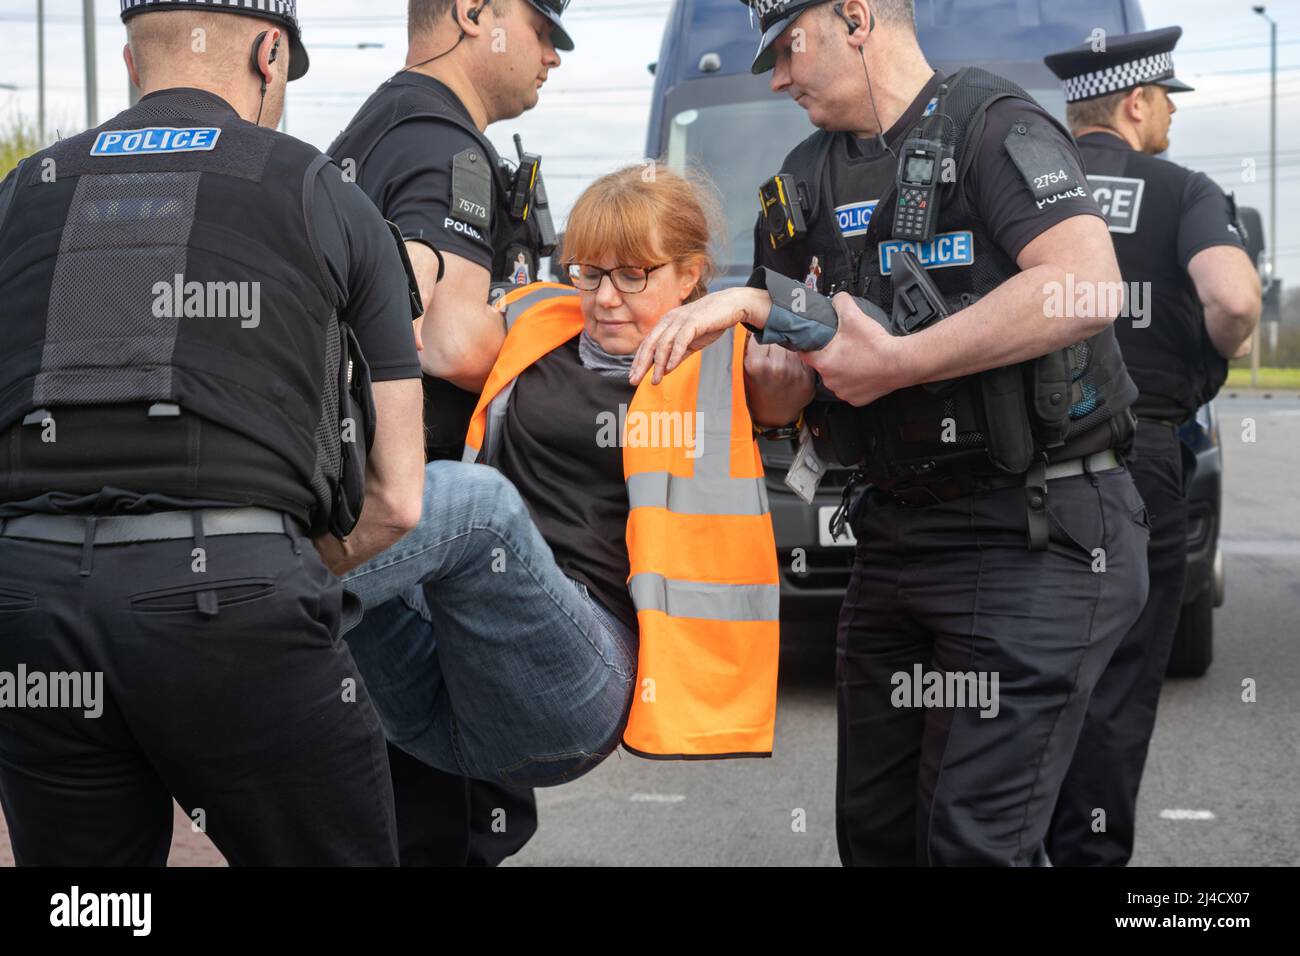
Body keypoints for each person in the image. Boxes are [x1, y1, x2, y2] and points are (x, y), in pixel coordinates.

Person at [631, 0, 1151, 865]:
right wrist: (773, 397)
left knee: (972, 843)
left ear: (857, 18)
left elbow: (1085, 286)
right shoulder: (797, 185)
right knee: (876, 839)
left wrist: (901, 362)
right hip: (893, 539)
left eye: (790, 48)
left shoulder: (991, 125)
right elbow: (790, 390)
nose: (778, 76)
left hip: (1035, 533)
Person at [0, 0, 426, 865]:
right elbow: (397, 498)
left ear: (129, 61)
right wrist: (268, 576)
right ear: (271, 54)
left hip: (27, 602)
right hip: (233, 600)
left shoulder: (21, 193)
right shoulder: (324, 193)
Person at [340, 164, 804, 791]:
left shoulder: (730, 357)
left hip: (581, 683)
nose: (605, 297)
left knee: (475, 503)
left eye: (634, 274)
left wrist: (750, 300)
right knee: (353, 474)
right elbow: (443, 340)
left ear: (691, 275)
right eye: (588, 271)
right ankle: (247, 605)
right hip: (443, 688)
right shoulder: (537, 320)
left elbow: (840, 338)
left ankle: (259, 593)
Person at [328, 0, 572, 866]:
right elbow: (450, 336)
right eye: (543, 30)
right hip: (424, 530)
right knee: (450, 823)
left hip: (365, 511)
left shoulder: (375, 131)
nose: (552, 55)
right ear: (475, 14)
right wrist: (571, 325)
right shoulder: (445, 142)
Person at [1043, 27, 1262, 866]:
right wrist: (1208, 356)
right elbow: (1236, 300)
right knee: (1120, 680)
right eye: (1167, 99)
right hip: (1141, 457)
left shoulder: (1022, 188)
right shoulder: (1183, 189)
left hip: (1017, 461)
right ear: (1136, 103)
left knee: (1021, 668)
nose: (1170, 113)